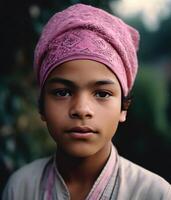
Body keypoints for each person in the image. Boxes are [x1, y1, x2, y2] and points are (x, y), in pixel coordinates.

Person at [2, 3, 171, 200]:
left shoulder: (155, 194)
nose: (81, 109)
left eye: (102, 94)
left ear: (123, 108)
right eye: (62, 92)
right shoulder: (21, 187)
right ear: (42, 107)